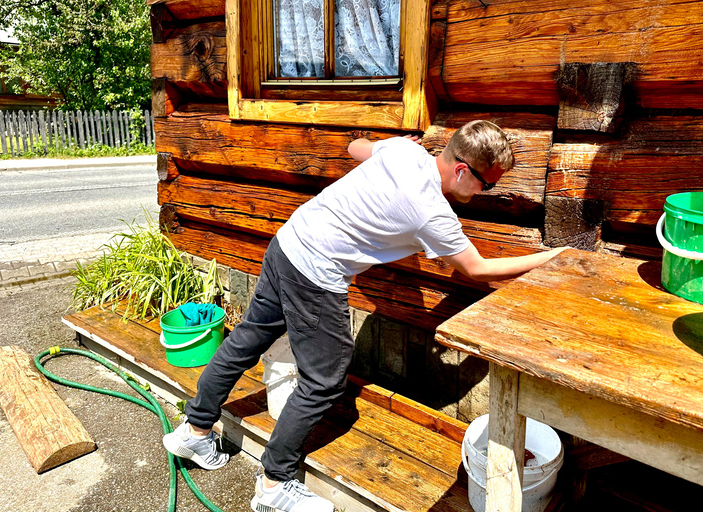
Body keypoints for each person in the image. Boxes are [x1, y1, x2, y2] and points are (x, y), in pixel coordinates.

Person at [163, 120, 568, 512]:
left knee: (247, 337)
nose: (486, 192)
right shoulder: (432, 212)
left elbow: (355, 148)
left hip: (288, 242)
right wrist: (552, 257)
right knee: (323, 381)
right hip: (316, 275)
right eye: (487, 183)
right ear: (462, 169)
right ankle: (274, 484)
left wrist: (394, 144)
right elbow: (477, 269)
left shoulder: (406, 151)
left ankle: (195, 429)